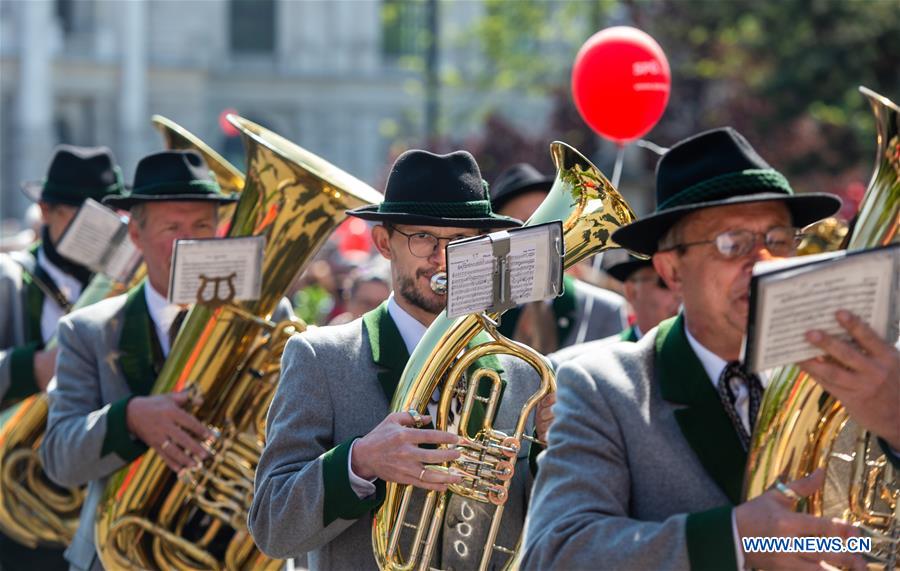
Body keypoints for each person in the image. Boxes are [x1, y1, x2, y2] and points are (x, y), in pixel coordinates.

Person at [522, 127, 897, 570]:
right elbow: (554, 553)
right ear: (672, 271)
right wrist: (734, 539)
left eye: (777, 240)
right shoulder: (602, 387)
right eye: (732, 243)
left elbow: (868, 542)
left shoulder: (847, 373)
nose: (763, 262)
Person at [250, 150, 554, 570]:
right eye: (423, 237)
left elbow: (549, 531)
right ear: (383, 243)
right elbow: (272, 526)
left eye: (460, 240)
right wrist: (360, 461)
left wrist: (551, 454)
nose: (441, 258)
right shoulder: (321, 358)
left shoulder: (524, 373)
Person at [39, 150, 243, 571]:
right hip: (116, 555)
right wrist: (128, 419)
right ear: (135, 235)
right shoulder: (88, 330)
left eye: (202, 226)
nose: (189, 243)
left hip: (228, 553)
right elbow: (59, 457)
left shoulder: (258, 320)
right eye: (172, 228)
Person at [0, 146, 126, 569]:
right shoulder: (8, 278)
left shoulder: (124, 287)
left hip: (102, 508)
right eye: (80, 216)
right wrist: (31, 367)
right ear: (46, 212)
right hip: (17, 510)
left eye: (108, 218)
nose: (99, 232)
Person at [489, 163, 627, 353]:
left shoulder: (606, 310)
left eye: (546, 220)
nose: (536, 234)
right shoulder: (474, 312)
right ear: (493, 235)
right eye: (521, 224)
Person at [603, 249, 682, 342]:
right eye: (664, 283)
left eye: (682, 281)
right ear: (631, 291)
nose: (680, 293)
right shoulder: (605, 351)